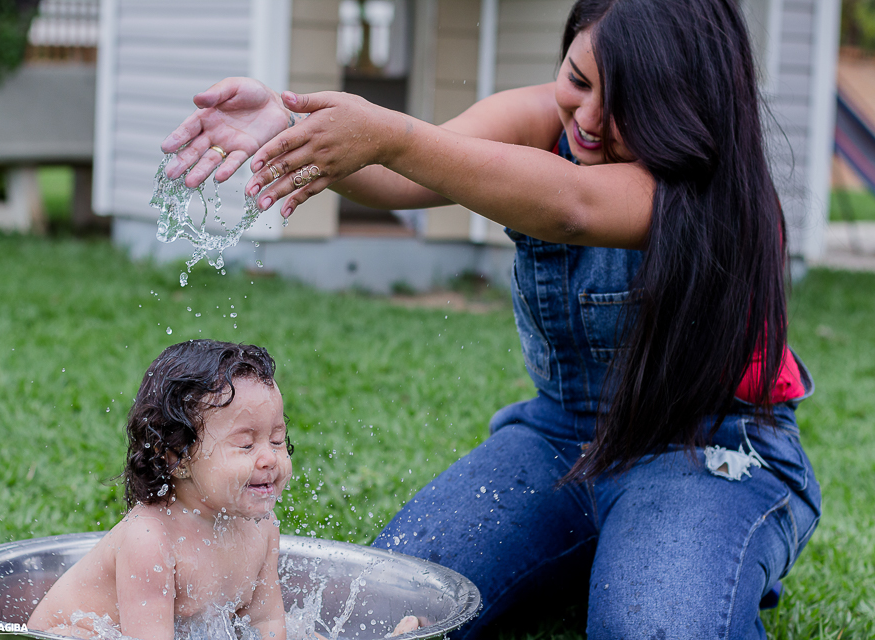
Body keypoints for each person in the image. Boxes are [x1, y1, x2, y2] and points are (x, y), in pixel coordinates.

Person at [161, 1, 822, 638]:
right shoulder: (542, 117)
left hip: (705, 445)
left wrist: (391, 132)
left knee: (654, 627)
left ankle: (682, 544)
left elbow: (573, 206)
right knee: (385, 605)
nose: (588, 117)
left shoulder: (709, 190)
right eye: (577, 79)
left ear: (683, 105)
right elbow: (407, 175)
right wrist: (290, 125)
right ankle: (614, 548)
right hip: (561, 439)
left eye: (624, 102)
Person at [28, 341, 294, 640]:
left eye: (276, 440)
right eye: (246, 445)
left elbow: (265, 622)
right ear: (176, 458)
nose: (270, 458)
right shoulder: (151, 539)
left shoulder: (263, 528)